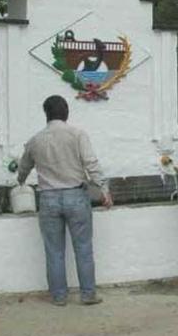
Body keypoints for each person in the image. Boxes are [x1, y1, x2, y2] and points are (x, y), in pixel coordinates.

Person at [17, 95, 113, 306]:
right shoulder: (78, 135)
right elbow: (91, 164)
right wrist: (104, 189)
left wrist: (20, 181)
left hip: (48, 198)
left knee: (54, 251)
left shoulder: (35, 140)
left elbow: (23, 168)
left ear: (46, 114)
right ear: (66, 112)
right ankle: (88, 294)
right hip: (76, 196)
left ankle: (59, 297)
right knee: (84, 248)